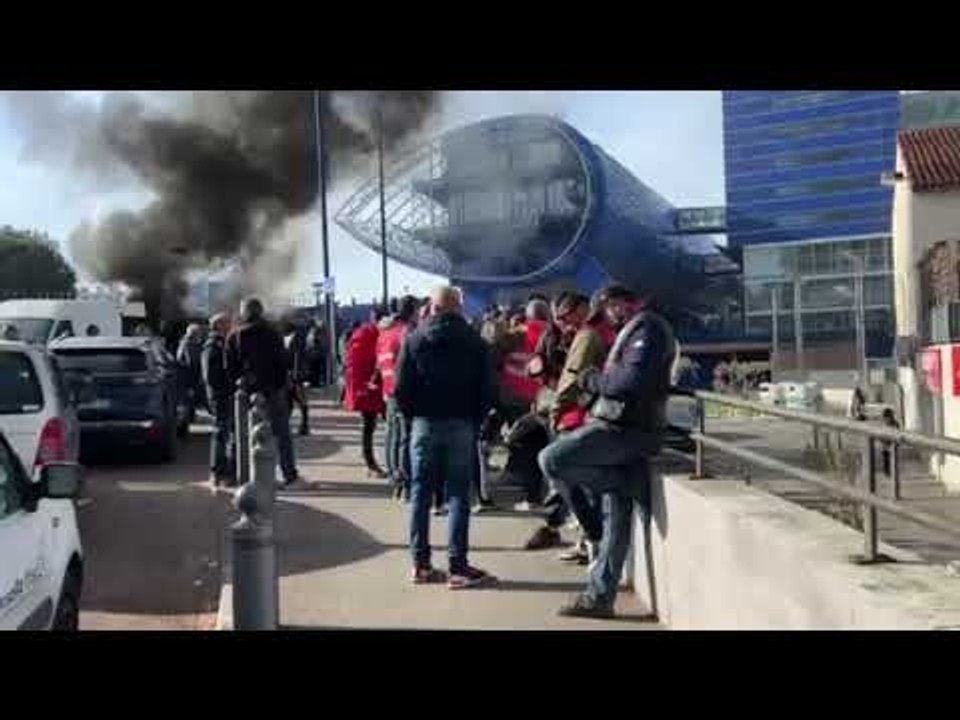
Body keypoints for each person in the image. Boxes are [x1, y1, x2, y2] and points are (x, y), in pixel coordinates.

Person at [538, 284, 676, 618]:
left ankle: (617, 483)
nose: (608, 317)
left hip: (628, 431)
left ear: (622, 302)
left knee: (552, 459)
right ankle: (600, 597)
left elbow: (630, 383)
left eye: (610, 309)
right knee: (617, 516)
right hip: (626, 428)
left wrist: (592, 381)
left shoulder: (649, 329)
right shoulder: (636, 330)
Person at [394, 285, 498, 589]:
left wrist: (415, 417)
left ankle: (421, 565)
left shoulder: (414, 340)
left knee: (420, 495)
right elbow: (488, 390)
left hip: (424, 424)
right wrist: (476, 419)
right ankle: (458, 566)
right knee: (458, 496)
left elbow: (401, 389)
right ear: (458, 308)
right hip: (461, 423)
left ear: (433, 308)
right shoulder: (476, 342)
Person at [225, 298, 303, 487]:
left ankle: (244, 475)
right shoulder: (273, 333)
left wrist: (242, 382)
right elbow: (282, 363)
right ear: (261, 311)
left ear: (244, 313)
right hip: (272, 390)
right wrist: (279, 385)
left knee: (244, 434)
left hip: (245, 392)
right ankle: (289, 474)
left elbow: (229, 368)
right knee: (281, 434)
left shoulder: (233, 335)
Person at [376, 295, 419, 502]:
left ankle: (396, 482)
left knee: (392, 436)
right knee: (405, 438)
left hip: (388, 390)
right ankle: (406, 485)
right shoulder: (406, 332)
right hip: (403, 391)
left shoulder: (384, 333)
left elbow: (380, 364)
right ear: (412, 311)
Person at [344, 307, 387, 478]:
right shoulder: (371, 335)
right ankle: (371, 464)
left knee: (370, 426)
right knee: (370, 427)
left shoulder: (362, 334)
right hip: (371, 388)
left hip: (368, 388)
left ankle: (371, 463)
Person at [202, 312, 235, 489]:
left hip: (223, 396)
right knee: (220, 434)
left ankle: (226, 472)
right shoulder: (212, 345)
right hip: (220, 397)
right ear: (219, 325)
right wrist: (227, 383)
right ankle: (217, 472)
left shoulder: (221, 343)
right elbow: (210, 376)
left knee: (226, 433)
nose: (231, 326)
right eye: (228, 323)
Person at [284, 321, 310, 436]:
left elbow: (297, 358)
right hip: (290, 374)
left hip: (294, 375)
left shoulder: (296, 338)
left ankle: (304, 426)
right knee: (291, 400)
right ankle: (299, 426)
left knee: (299, 400)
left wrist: (296, 376)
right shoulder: (289, 338)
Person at [177, 323, 207, 420]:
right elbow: (191, 362)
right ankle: (188, 417)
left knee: (189, 400)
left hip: (188, 377)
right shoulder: (189, 345)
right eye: (198, 333)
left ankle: (189, 416)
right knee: (189, 399)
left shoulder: (184, 343)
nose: (200, 335)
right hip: (190, 377)